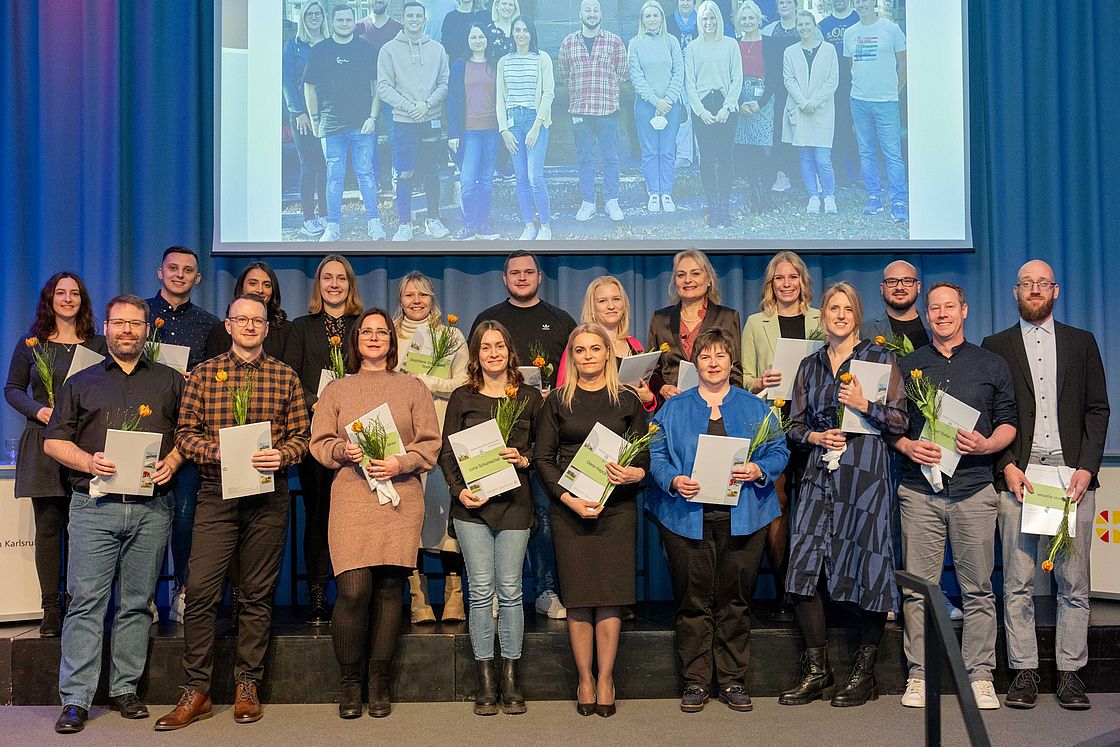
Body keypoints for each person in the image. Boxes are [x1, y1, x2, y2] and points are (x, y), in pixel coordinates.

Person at [155, 295, 310, 730]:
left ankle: (247, 685)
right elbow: (184, 434)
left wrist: (281, 456)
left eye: (256, 320)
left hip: (267, 496)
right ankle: (196, 690)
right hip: (216, 492)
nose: (248, 325)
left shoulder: (285, 376)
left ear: (265, 327)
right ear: (228, 325)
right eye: (240, 319)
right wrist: (216, 450)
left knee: (256, 594)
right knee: (202, 591)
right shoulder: (205, 375)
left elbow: (302, 435)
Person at [44, 294, 185, 734]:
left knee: (137, 604)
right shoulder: (80, 382)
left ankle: (126, 689)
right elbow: (53, 441)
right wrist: (88, 462)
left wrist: (174, 461)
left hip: (151, 508)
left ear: (147, 331)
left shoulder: (170, 381)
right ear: (105, 328)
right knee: (86, 603)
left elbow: (189, 434)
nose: (127, 331)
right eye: (119, 323)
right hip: (94, 506)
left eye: (136, 324)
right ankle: (76, 699)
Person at [982, 260, 1109, 711]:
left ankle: (1071, 673)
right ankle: (1023, 672)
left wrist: (1088, 468)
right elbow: (989, 414)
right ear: (1015, 292)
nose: (1034, 290)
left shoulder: (1082, 343)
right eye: (1026, 284)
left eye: (1042, 283)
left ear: (1055, 291)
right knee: (1017, 582)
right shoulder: (995, 347)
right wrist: (1006, 466)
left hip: (1071, 479)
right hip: (1020, 477)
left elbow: (1098, 410)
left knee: (1073, 583)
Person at [648, 327, 789, 713]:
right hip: (685, 518)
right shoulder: (673, 408)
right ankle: (695, 681)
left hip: (745, 518)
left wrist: (759, 468)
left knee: (736, 601)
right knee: (692, 602)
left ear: (731, 362)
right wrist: (673, 479)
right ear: (696, 363)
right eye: (706, 357)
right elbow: (655, 456)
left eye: (720, 356)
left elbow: (780, 451)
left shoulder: (756, 407)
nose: (713, 363)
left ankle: (731, 680)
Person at [309, 307, 441, 719]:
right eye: (366, 331)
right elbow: (319, 442)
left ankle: (378, 681)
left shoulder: (412, 387)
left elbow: (430, 445)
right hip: (352, 496)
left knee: (388, 590)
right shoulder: (337, 390)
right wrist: (341, 450)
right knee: (353, 590)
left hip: (400, 499)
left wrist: (400, 464)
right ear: (355, 340)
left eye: (381, 331)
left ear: (391, 339)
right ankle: (350, 682)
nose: (374, 337)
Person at [891, 282, 1017, 711]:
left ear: (965, 310)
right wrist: (909, 446)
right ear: (925, 314)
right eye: (934, 308)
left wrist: (986, 445)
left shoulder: (992, 364)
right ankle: (919, 674)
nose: (942, 314)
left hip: (974, 491)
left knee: (979, 589)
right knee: (919, 589)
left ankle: (980, 675)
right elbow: (891, 426)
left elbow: (1009, 423)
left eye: (950, 307)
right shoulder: (906, 365)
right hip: (919, 491)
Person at [780, 283, 907, 707]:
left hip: (865, 474)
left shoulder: (879, 357)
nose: (839, 314)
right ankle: (818, 671)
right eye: (832, 308)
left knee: (867, 564)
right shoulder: (810, 365)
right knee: (802, 567)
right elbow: (793, 425)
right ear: (823, 316)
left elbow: (900, 420)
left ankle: (864, 673)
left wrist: (865, 404)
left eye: (847, 308)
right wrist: (815, 434)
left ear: (857, 314)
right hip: (819, 472)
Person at [534, 323, 649, 718]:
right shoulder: (556, 402)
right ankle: (585, 677)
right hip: (570, 510)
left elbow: (644, 458)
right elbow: (543, 460)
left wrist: (636, 474)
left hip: (617, 510)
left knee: (610, 598)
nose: (587, 357)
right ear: (572, 356)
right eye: (579, 350)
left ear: (608, 354)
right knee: (580, 600)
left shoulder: (628, 400)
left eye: (595, 349)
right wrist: (569, 500)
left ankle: (606, 678)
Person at [438, 321, 541, 715]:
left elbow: (541, 448)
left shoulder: (529, 397)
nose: (493, 353)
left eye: (500, 346)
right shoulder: (462, 398)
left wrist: (524, 457)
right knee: (480, 589)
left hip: (515, 503)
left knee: (511, 589)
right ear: (476, 354)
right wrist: (457, 490)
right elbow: (447, 454)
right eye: (485, 347)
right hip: (472, 505)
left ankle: (511, 676)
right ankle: (485, 675)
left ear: (509, 351)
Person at [470, 251, 576, 619]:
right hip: (492, 440)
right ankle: (497, 593)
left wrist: (555, 394)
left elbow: (573, 375)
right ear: (504, 279)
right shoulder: (488, 320)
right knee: (493, 515)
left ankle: (546, 590)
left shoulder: (560, 320)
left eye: (528, 271)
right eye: (514, 272)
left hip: (545, 437)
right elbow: (474, 373)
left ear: (540, 276)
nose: (521, 277)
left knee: (545, 519)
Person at [5, 272, 105, 638]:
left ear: (83, 300)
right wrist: (39, 410)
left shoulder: (98, 344)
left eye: (74, 293)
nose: (67, 299)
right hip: (44, 441)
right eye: (60, 293)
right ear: (49, 299)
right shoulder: (32, 344)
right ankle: (51, 608)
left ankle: (80, 605)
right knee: (49, 529)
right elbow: (12, 389)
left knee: (84, 532)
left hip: (85, 445)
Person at [284, 255, 365, 625]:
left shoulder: (362, 326)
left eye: (341, 278)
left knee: (360, 515)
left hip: (361, 435)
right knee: (318, 515)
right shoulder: (301, 327)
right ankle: (318, 592)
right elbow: (291, 378)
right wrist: (322, 404)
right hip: (318, 435)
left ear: (350, 285)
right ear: (318, 285)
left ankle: (358, 591)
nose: (334, 284)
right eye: (327, 278)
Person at [741, 250, 819, 621]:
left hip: (817, 424)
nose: (786, 284)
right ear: (770, 284)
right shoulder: (757, 323)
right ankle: (786, 587)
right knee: (779, 504)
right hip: (775, 423)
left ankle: (819, 590)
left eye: (793, 277)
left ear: (803, 281)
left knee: (817, 506)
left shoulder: (822, 319)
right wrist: (760, 381)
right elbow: (739, 378)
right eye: (779, 278)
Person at [146, 247, 220, 626]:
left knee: (187, 517)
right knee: (144, 517)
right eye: (173, 269)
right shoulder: (139, 317)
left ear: (198, 279)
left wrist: (195, 381)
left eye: (187, 270)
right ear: (160, 272)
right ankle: (144, 596)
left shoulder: (210, 325)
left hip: (191, 434)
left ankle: (184, 590)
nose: (179, 275)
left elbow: (218, 379)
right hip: (144, 431)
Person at [392, 272, 469, 624]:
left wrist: (427, 382)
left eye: (423, 295)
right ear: (401, 299)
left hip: (443, 436)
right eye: (410, 295)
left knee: (446, 518)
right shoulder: (389, 335)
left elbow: (465, 384)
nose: (417, 301)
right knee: (410, 520)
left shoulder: (450, 336)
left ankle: (455, 596)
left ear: (432, 298)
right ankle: (417, 595)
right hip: (402, 442)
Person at [304, 4, 385, 243]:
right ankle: (333, 225)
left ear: (354, 22)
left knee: (366, 175)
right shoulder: (320, 50)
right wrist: (316, 119)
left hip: (362, 126)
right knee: (334, 177)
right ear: (332, 21)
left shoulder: (366, 49)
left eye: (348, 20)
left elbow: (377, 85)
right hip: (330, 126)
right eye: (340, 20)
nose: (344, 23)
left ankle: (374, 223)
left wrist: (373, 117)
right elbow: (310, 87)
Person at [378, 1, 451, 242]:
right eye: (410, 15)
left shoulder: (437, 49)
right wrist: (411, 107)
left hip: (430, 118)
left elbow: (444, 84)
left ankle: (433, 219)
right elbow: (383, 87)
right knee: (405, 173)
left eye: (418, 16)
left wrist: (427, 105)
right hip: (403, 121)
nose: (414, 19)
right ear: (403, 18)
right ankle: (404, 224)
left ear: (424, 19)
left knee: (432, 171)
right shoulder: (388, 50)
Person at [558, 0, 629, 223]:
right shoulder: (568, 43)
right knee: (584, 158)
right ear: (580, 14)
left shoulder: (614, 42)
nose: (591, 14)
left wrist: (607, 87)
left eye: (595, 10)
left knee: (610, 157)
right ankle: (588, 202)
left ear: (601, 14)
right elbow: (564, 74)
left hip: (608, 111)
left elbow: (622, 73)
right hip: (580, 111)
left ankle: (611, 201)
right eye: (587, 10)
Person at [649, 248, 742, 401]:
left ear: (709, 280)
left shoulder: (727, 317)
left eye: (695, 273)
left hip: (715, 405)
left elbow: (736, 371)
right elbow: (652, 370)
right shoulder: (660, 319)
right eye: (681, 275)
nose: (687, 280)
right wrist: (662, 388)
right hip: (672, 407)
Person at [844, 0, 908, 222]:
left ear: (874, 3)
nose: (861, 5)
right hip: (859, 101)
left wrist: (894, 91)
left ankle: (898, 200)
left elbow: (904, 64)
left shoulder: (891, 29)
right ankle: (874, 196)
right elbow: (853, 66)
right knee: (866, 152)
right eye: (858, 2)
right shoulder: (850, 33)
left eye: (865, 1)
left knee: (893, 154)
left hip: (886, 102)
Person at [556, 276, 656, 411]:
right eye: (602, 301)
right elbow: (562, 391)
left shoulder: (635, 345)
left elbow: (645, 391)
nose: (611, 306)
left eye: (616, 299)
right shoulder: (578, 342)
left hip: (626, 423)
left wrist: (648, 398)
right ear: (592, 308)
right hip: (587, 418)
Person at [684, 1, 742, 227]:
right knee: (707, 159)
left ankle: (725, 207)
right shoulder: (692, 48)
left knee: (726, 158)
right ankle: (713, 208)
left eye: (712, 18)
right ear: (699, 21)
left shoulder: (730, 44)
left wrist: (728, 106)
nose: (709, 22)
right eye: (704, 18)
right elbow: (689, 82)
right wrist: (700, 111)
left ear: (719, 19)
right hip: (703, 107)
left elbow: (737, 77)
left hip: (726, 105)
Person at [496, 16, 555, 241]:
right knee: (520, 178)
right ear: (512, 33)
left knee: (534, 176)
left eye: (525, 30)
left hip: (535, 120)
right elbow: (500, 99)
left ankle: (546, 225)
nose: (521, 34)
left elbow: (548, 93)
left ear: (532, 33)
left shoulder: (542, 58)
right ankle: (529, 224)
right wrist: (504, 130)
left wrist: (536, 126)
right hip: (513, 123)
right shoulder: (504, 61)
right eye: (517, 30)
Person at [628, 1, 684, 214]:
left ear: (662, 18)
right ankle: (654, 193)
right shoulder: (635, 44)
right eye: (648, 16)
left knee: (668, 151)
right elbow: (636, 76)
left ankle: (666, 193)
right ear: (642, 20)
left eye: (655, 16)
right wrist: (655, 101)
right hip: (645, 105)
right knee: (650, 151)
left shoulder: (672, 42)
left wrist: (667, 100)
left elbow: (679, 72)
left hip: (671, 105)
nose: (652, 19)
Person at [782, 11, 839, 215]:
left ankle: (829, 196)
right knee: (805, 156)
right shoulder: (790, 51)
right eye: (800, 24)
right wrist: (803, 102)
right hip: (799, 109)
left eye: (808, 23)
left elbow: (832, 80)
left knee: (823, 158)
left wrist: (813, 102)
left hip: (822, 109)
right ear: (796, 28)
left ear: (815, 26)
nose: (804, 27)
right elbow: (789, 80)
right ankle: (813, 196)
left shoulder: (829, 50)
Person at [448, 24, 501, 241]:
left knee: (486, 180)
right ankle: (468, 224)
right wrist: (452, 133)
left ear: (486, 39)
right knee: (468, 181)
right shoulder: (460, 65)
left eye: (481, 36)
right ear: (468, 40)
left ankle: (482, 224)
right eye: (473, 36)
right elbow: (451, 100)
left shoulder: (495, 64)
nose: (477, 40)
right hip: (468, 132)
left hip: (491, 131)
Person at [283, 2, 328, 237]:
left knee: (325, 167)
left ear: (323, 17)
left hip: (329, 116)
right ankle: (308, 219)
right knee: (309, 166)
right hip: (303, 117)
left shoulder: (330, 43)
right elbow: (287, 81)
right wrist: (299, 111)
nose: (313, 17)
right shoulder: (293, 45)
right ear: (303, 18)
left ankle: (325, 214)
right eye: (309, 14)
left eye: (317, 13)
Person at [732, 0, 782, 214]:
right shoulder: (734, 44)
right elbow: (730, 75)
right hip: (740, 97)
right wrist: (737, 102)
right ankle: (755, 192)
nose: (747, 22)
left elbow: (775, 77)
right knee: (746, 147)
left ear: (759, 19)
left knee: (765, 148)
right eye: (743, 18)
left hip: (764, 98)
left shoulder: (770, 43)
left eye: (751, 18)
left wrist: (760, 103)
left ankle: (766, 191)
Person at [761, 0, 808, 196]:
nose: (784, 5)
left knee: (805, 131)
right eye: (781, 2)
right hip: (778, 90)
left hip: (804, 88)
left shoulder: (805, 26)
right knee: (781, 132)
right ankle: (782, 174)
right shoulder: (770, 31)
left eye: (789, 2)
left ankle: (807, 175)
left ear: (796, 5)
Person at [205, 262, 290, 360]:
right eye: (253, 283)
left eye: (267, 285)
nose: (260, 290)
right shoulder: (220, 331)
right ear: (241, 287)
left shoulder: (287, 331)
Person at [817, 0, 860, 185]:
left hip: (857, 84)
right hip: (832, 85)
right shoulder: (823, 26)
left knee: (856, 128)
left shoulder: (860, 19)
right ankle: (837, 168)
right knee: (835, 128)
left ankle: (856, 170)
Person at [864, 260, 930, 349]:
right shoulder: (864, 331)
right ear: (882, 288)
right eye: (892, 281)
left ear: (918, 287)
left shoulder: (934, 327)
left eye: (907, 281)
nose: (899, 287)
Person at [668, 0, 699, 169]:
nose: (685, 3)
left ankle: (704, 153)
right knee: (683, 115)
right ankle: (684, 155)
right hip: (677, 76)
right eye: (682, 0)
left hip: (699, 75)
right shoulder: (668, 22)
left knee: (701, 113)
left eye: (689, 0)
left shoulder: (703, 20)